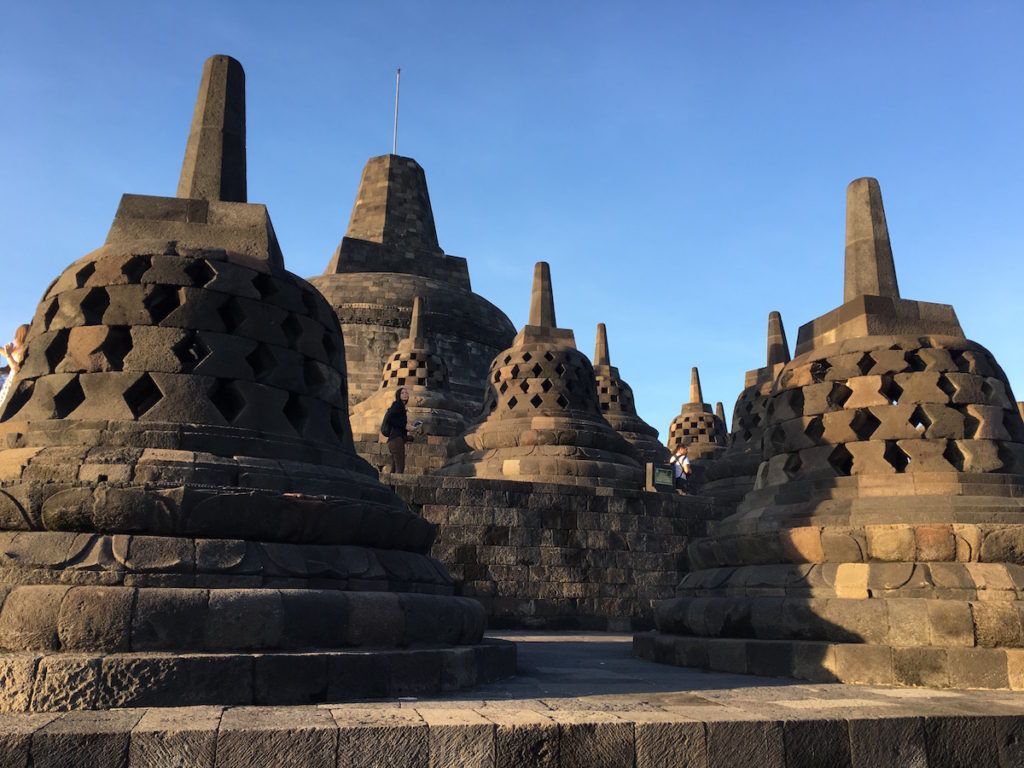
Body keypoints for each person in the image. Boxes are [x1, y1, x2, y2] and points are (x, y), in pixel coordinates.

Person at [381, 387, 414, 474]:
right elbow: (390, 419)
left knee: (395, 467)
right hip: (396, 440)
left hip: (395, 440)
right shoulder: (397, 405)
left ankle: (390, 487)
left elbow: (397, 424)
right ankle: (395, 487)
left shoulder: (401, 407)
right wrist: (405, 426)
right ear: (398, 395)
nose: (405, 394)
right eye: (402, 393)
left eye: (406, 393)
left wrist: (408, 435)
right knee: (400, 466)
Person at [0, 325, 29, 409]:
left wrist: (9, 355)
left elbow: (16, 368)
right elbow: (5, 353)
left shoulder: (22, 350)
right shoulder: (17, 348)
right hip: (9, 379)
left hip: (13, 380)